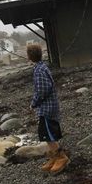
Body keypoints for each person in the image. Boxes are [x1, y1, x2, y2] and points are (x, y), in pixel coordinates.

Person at [27, 44, 69, 173]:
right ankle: (53, 157)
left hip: (47, 108)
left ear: (30, 56)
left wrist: (33, 103)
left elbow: (42, 90)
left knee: (48, 135)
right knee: (46, 133)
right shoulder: (41, 67)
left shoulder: (39, 70)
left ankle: (61, 158)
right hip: (49, 106)